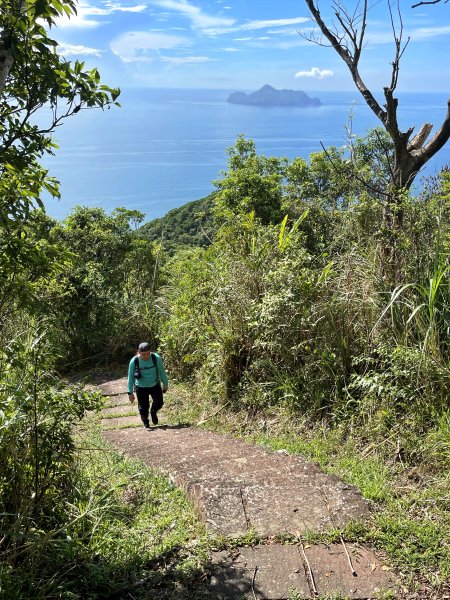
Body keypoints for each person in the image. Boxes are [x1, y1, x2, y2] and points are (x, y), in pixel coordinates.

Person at [127, 342, 169, 429]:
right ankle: (146, 423)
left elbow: (162, 372)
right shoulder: (134, 361)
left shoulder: (156, 358)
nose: (146, 356)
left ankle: (153, 412)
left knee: (159, 403)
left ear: (150, 352)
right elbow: (130, 377)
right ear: (138, 352)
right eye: (143, 354)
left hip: (154, 385)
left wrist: (165, 384)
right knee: (143, 408)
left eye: (147, 354)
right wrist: (130, 393)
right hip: (141, 387)